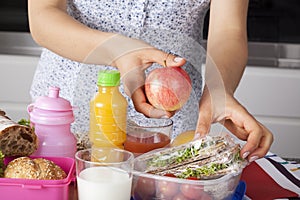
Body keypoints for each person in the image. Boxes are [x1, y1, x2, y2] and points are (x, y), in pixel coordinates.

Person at [28, 0, 273, 162]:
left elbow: (228, 31)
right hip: (66, 125)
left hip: (170, 130)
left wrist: (219, 90)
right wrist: (117, 51)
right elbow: (43, 15)